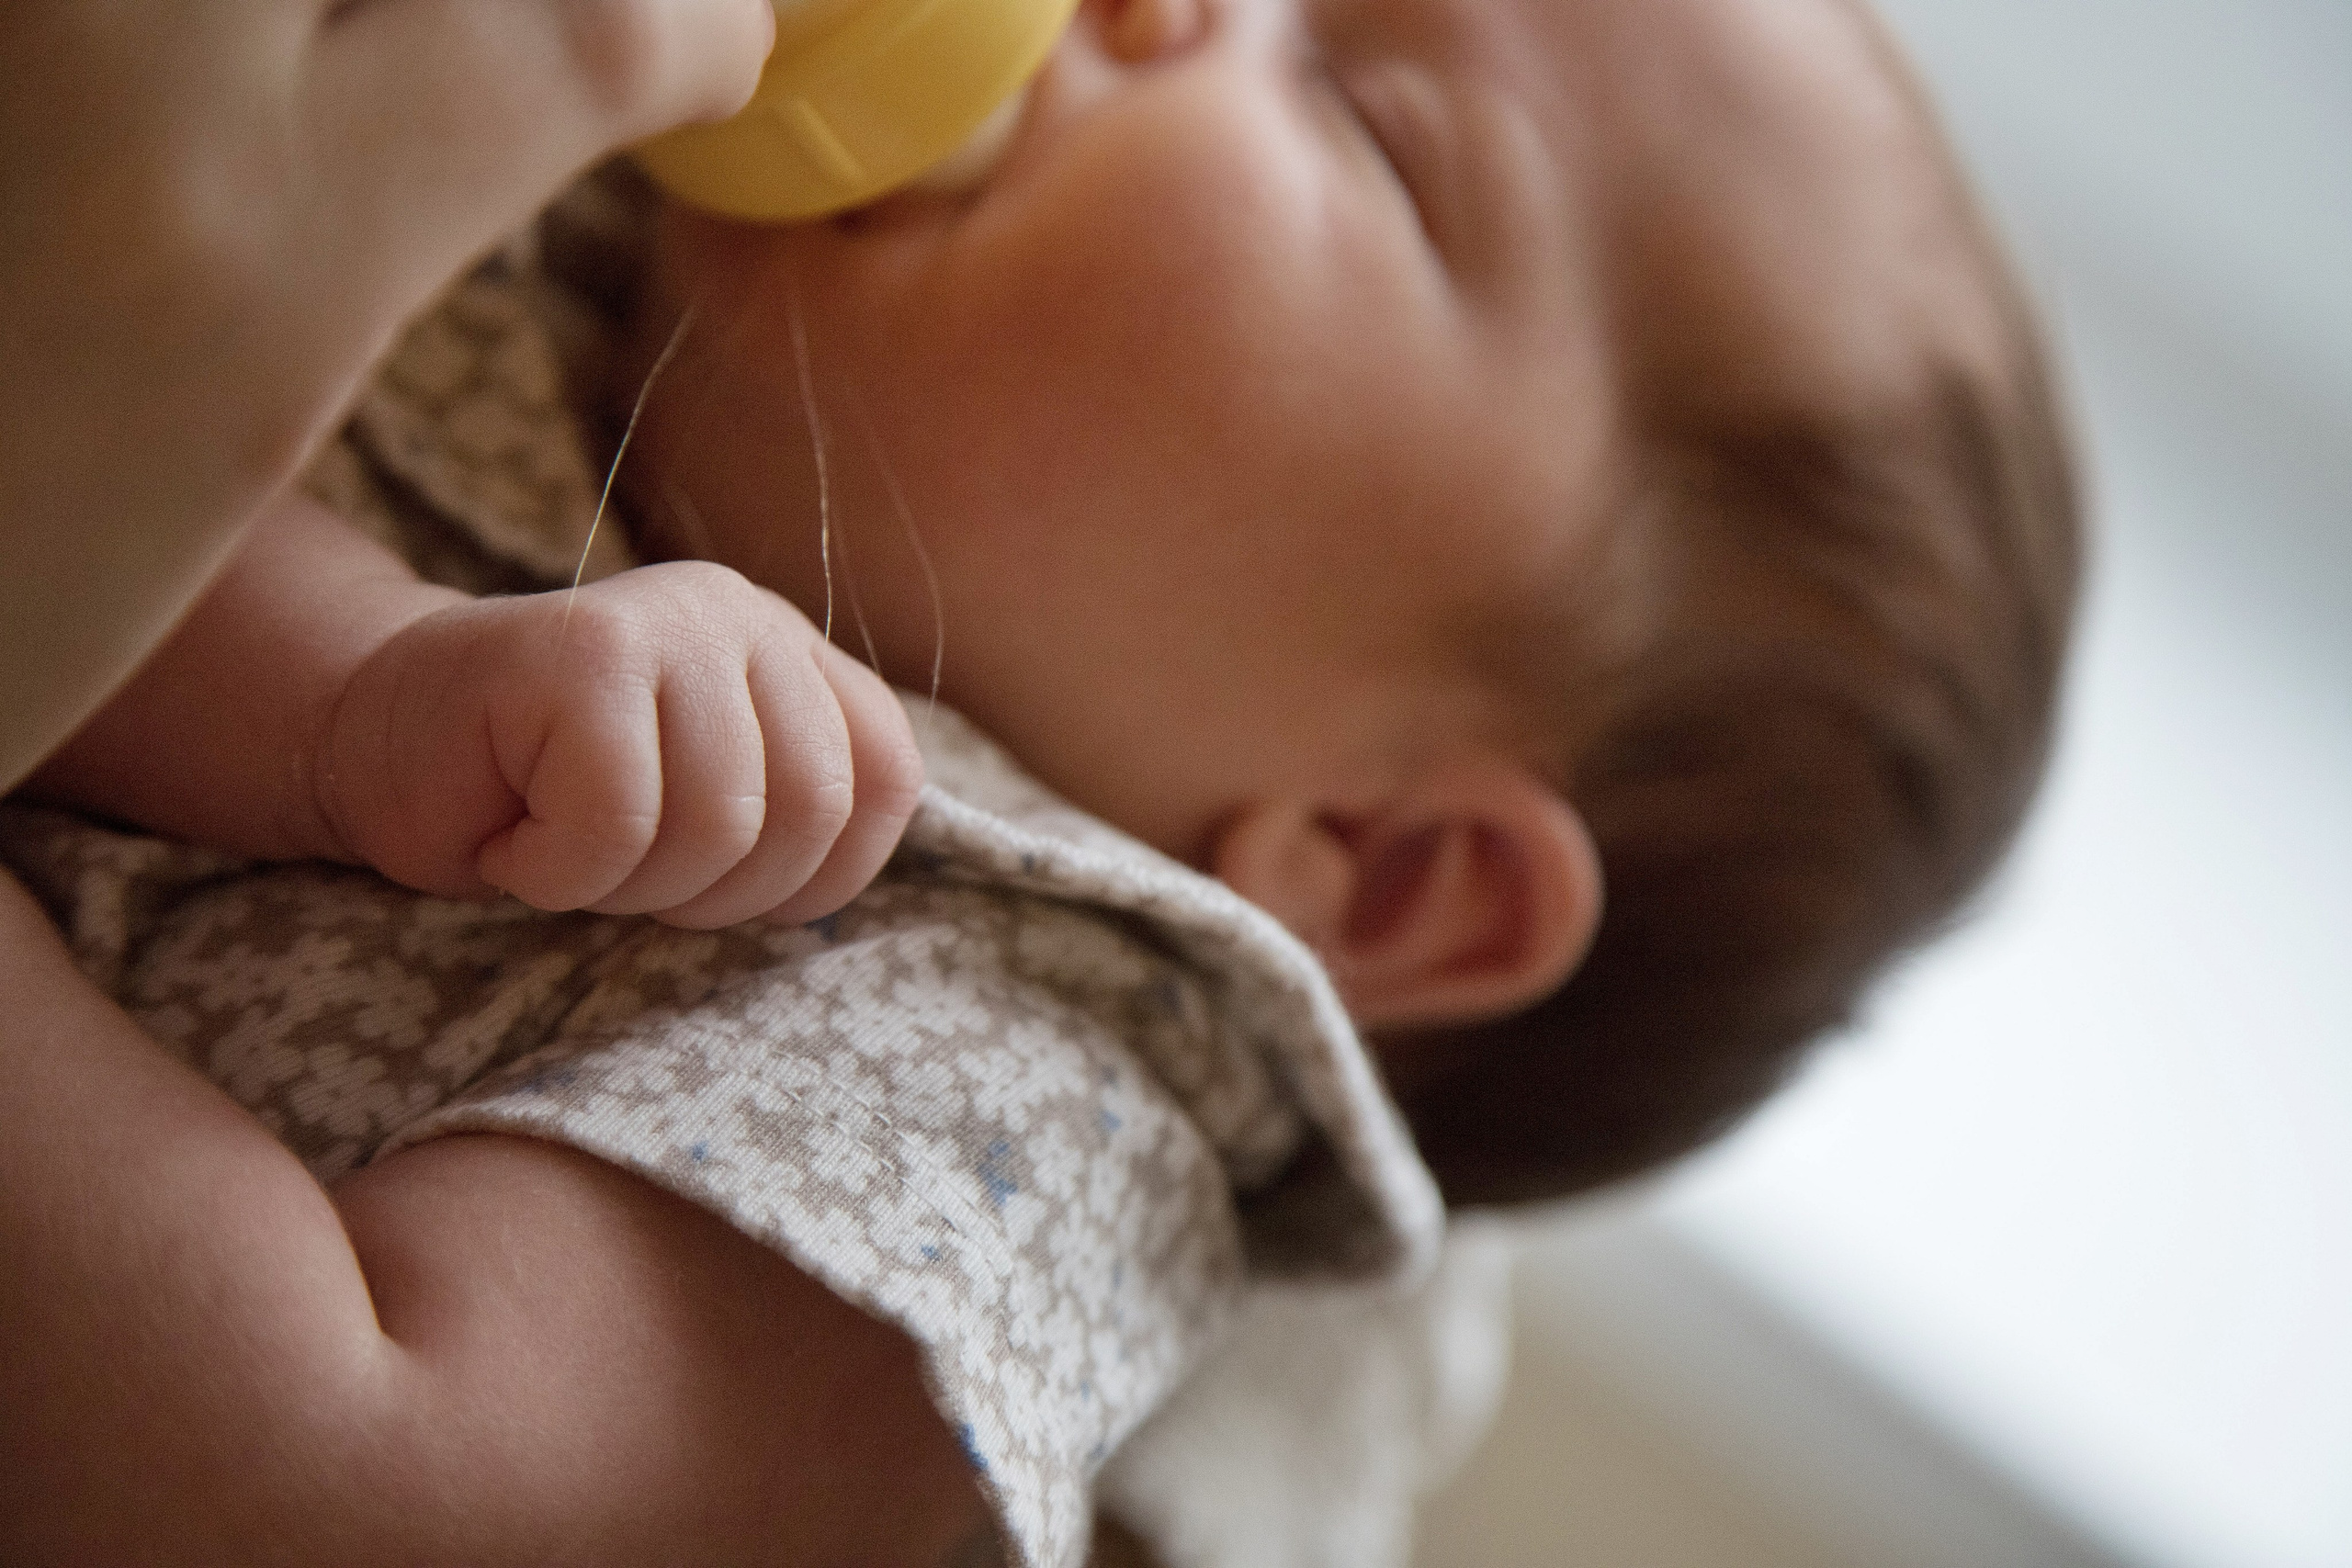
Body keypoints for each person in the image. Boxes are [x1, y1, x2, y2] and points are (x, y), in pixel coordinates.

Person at [0, 0, 2082, 1560]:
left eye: (1360, 116)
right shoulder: (589, 254)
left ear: (1387, 851)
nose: (1155, 8)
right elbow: (86, 504)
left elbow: (330, 1485)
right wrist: (346, 696)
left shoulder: (1029, 1088)